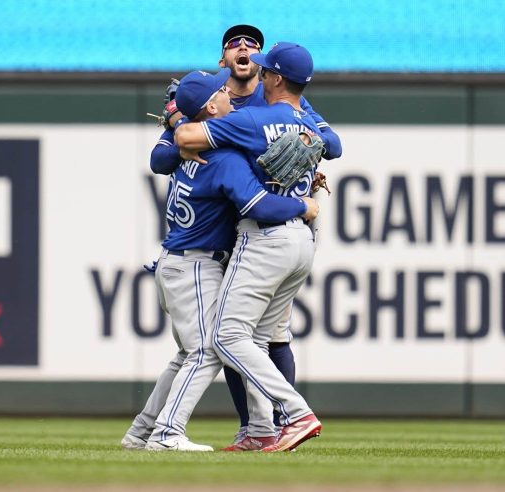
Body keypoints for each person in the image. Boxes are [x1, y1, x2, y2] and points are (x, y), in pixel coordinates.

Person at [148, 24, 341, 446]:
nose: (244, 48)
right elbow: (163, 154)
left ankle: (283, 419)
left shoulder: (259, 107)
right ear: (223, 60)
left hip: (264, 226)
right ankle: (256, 429)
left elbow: (334, 142)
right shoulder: (210, 94)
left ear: (267, 70)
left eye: (253, 44)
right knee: (245, 336)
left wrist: (182, 122)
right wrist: (179, 121)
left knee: (247, 336)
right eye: (234, 43)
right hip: (248, 228)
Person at [121, 67, 319, 452]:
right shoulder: (223, 157)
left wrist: (177, 119)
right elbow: (256, 203)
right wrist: (303, 204)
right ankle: (166, 434)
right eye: (223, 90)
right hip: (195, 264)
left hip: (180, 262)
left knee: (187, 355)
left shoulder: (187, 147)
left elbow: (168, 147)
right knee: (209, 349)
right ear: (212, 105)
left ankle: (141, 432)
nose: (231, 92)